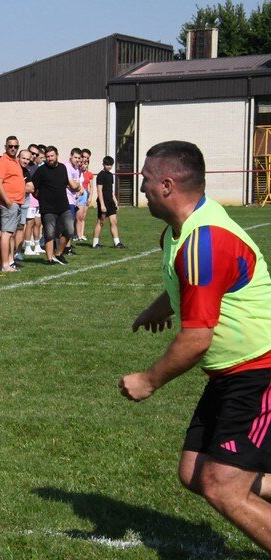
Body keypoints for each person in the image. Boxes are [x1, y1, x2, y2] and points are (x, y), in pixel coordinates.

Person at [119, 140, 271, 553]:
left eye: (146, 180)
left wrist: (148, 381)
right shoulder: (176, 232)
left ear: (167, 185)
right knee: (194, 472)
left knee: (223, 487)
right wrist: (159, 305)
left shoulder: (205, 240)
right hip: (231, 372)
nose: (142, 187)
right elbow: (189, 284)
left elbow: (196, 339)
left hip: (260, 370)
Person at [30, 146, 77, 266]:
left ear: (57, 155)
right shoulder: (41, 170)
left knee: (70, 230)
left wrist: (76, 187)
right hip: (48, 208)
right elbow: (33, 188)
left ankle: (58, 253)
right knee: (49, 234)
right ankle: (50, 259)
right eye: (48, 156)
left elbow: (69, 184)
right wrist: (40, 198)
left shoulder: (62, 168)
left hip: (63, 206)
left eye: (52, 156)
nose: (50, 158)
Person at [0, 136, 26, 273]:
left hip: (17, 202)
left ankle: (1, 263)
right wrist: (7, 200)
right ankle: (5, 265)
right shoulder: (3, 161)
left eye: (15, 146)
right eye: (10, 146)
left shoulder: (15, 161)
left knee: (9, 234)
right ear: (5, 147)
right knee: (6, 234)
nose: (13, 148)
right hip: (10, 203)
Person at [92, 156, 125, 249]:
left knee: (114, 222)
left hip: (110, 202)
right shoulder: (101, 175)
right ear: (103, 164)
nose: (109, 166)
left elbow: (110, 190)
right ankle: (95, 243)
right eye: (107, 165)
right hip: (103, 202)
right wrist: (102, 204)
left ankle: (117, 242)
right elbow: (99, 190)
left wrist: (115, 201)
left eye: (110, 165)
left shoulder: (110, 175)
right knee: (101, 222)